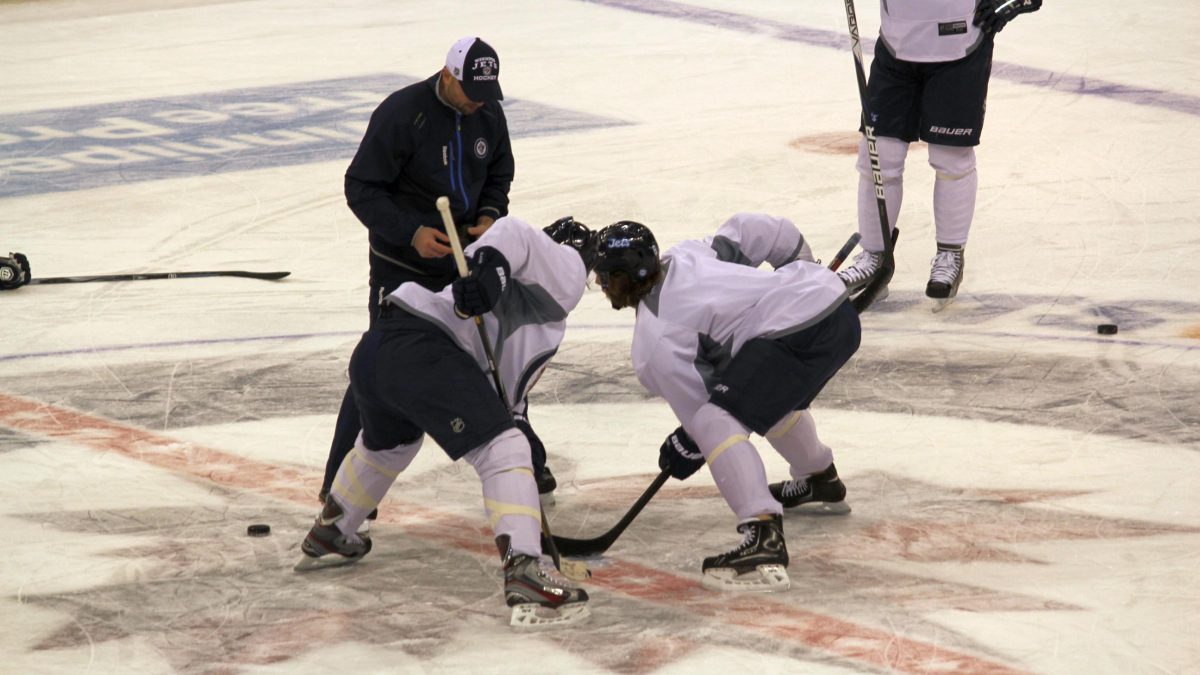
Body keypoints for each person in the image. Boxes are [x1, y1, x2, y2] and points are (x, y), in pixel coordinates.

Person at [295, 215, 598, 630]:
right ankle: (527, 572)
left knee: (390, 445)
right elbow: (513, 233)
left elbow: (499, 395)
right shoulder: (563, 275)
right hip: (423, 347)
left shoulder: (530, 313)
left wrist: (514, 423)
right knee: (503, 449)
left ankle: (334, 528)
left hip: (380, 347)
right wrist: (491, 268)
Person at [323, 36, 558, 520]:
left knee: (490, 358)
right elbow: (360, 187)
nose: (478, 102)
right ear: (447, 75)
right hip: (403, 268)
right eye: (471, 90)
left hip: (464, 265)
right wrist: (411, 233)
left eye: (486, 92)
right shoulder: (402, 113)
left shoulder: (487, 113)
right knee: (381, 365)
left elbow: (499, 173)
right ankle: (338, 489)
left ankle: (525, 458)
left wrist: (490, 215)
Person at [592, 213, 859, 592]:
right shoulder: (684, 255)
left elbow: (707, 418)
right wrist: (801, 272)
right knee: (760, 397)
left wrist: (688, 444)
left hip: (793, 333)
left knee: (715, 422)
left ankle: (762, 537)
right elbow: (766, 231)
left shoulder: (654, 342)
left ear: (624, 277)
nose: (601, 285)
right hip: (837, 310)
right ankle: (819, 477)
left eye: (605, 277)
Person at [836, 0, 1043, 310]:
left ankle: (949, 254)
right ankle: (874, 256)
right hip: (896, 43)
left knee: (950, 158)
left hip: (959, 46)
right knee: (877, 153)